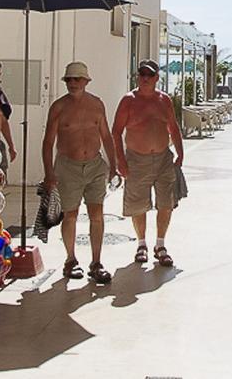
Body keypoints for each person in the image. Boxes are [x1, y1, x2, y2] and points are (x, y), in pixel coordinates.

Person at [41, 61, 118, 284]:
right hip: (68, 167)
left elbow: (106, 136)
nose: (73, 83)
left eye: (77, 79)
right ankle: (71, 260)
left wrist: (113, 166)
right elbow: (48, 142)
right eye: (69, 79)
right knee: (71, 214)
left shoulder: (97, 105)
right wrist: (49, 173)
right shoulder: (58, 107)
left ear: (86, 81)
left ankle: (96, 263)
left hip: (94, 165)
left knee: (96, 214)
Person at [112, 60, 184, 267]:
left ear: (156, 78)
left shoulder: (164, 100)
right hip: (137, 159)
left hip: (163, 158)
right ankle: (141, 244)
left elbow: (173, 126)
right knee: (138, 204)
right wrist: (121, 161)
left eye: (149, 75)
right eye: (141, 74)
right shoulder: (128, 101)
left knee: (166, 203)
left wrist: (180, 152)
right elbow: (116, 132)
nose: (144, 78)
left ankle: (160, 245)